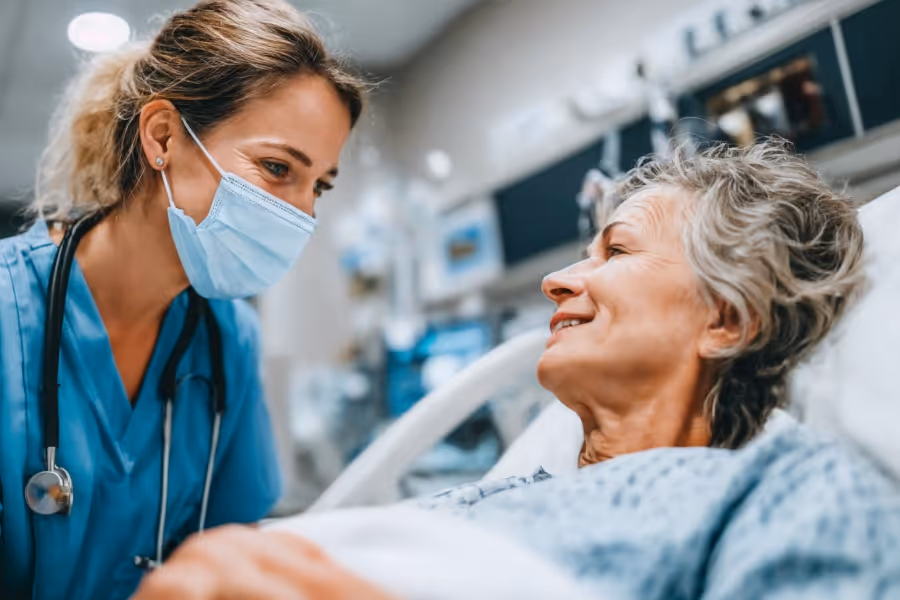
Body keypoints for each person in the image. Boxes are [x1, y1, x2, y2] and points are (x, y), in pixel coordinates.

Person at [131, 142, 900, 599]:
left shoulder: (783, 487)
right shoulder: (502, 495)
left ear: (727, 320)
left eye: (618, 251)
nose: (556, 281)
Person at [0, 1, 364, 598]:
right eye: (278, 168)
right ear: (163, 136)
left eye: (318, 185)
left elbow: (230, 560)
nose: (303, 211)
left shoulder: (228, 341)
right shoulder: (8, 309)